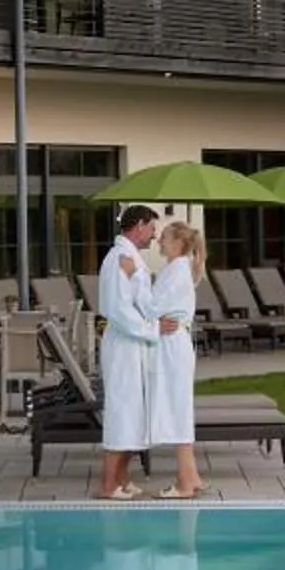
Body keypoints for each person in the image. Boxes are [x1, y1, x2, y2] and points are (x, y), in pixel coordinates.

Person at [94, 205, 161, 500]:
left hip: (134, 345)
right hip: (123, 345)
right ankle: (108, 485)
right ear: (139, 225)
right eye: (152, 228)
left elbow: (141, 299)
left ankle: (122, 479)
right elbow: (118, 309)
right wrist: (152, 331)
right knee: (122, 412)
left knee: (135, 412)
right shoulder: (117, 259)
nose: (155, 235)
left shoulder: (132, 259)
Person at [147, 220, 206, 499]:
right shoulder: (176, 269)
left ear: (178, 244)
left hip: (171, 346)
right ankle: (191, 476)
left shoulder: (175, 271)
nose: (159, 241)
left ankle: (184, 483)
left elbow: (154, 307)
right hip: (174, 343)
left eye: (165, 238)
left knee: (176, 410)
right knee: (179, 407)